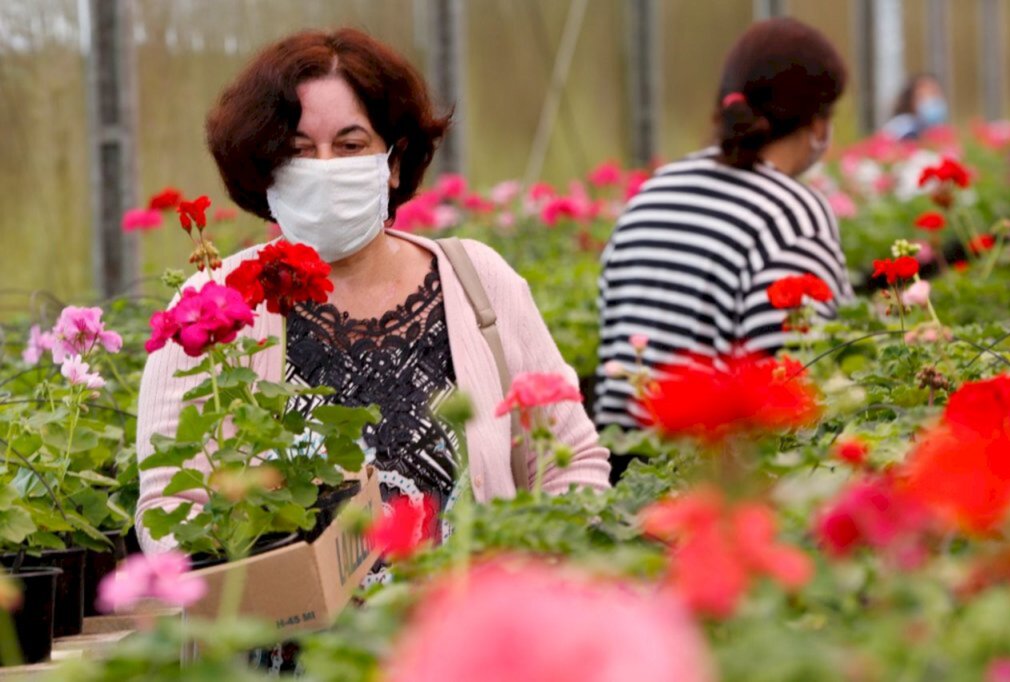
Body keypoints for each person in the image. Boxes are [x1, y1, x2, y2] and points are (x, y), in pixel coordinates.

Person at [135, 28, 610, 554]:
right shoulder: (214, 305)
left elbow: (572, 460)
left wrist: (546, 580)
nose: (325, 168)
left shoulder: (479, 282)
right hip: (296, 636)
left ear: (394, 161)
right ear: (267, 171)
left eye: (350, 144)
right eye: (297, 152)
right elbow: (170, 510)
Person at [594, 18, 854, 452]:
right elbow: (793, 385)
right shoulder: (790, 214)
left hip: (614, 477)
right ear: (818, 124)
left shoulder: (654, 191)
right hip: (712, 478)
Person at [881, 73, 949, 141]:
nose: (930, 100)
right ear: (910, 101)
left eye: (934, 93)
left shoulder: (944, 132)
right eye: (922, 96)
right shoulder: (901, 129)